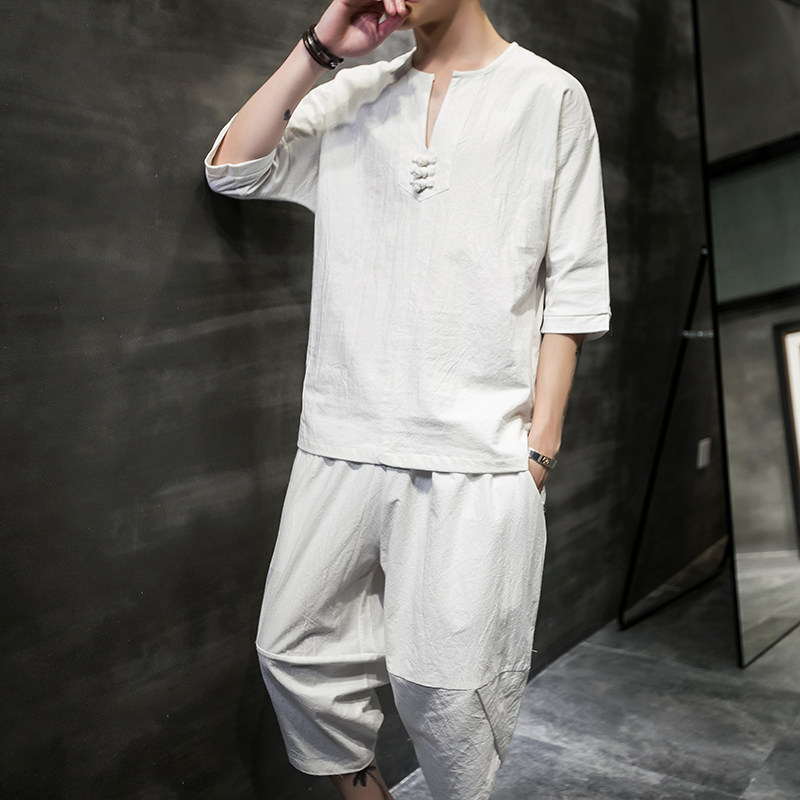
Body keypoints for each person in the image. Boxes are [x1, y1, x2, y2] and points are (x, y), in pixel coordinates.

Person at [205, 0, 610, 797]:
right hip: (343, 437)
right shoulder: (352, 94)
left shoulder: (549, 96)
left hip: (477, 454)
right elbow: (233, 168)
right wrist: (323, 45)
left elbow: (574, 285)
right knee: (292, 649)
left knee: (451, 695)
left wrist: (539, 447)